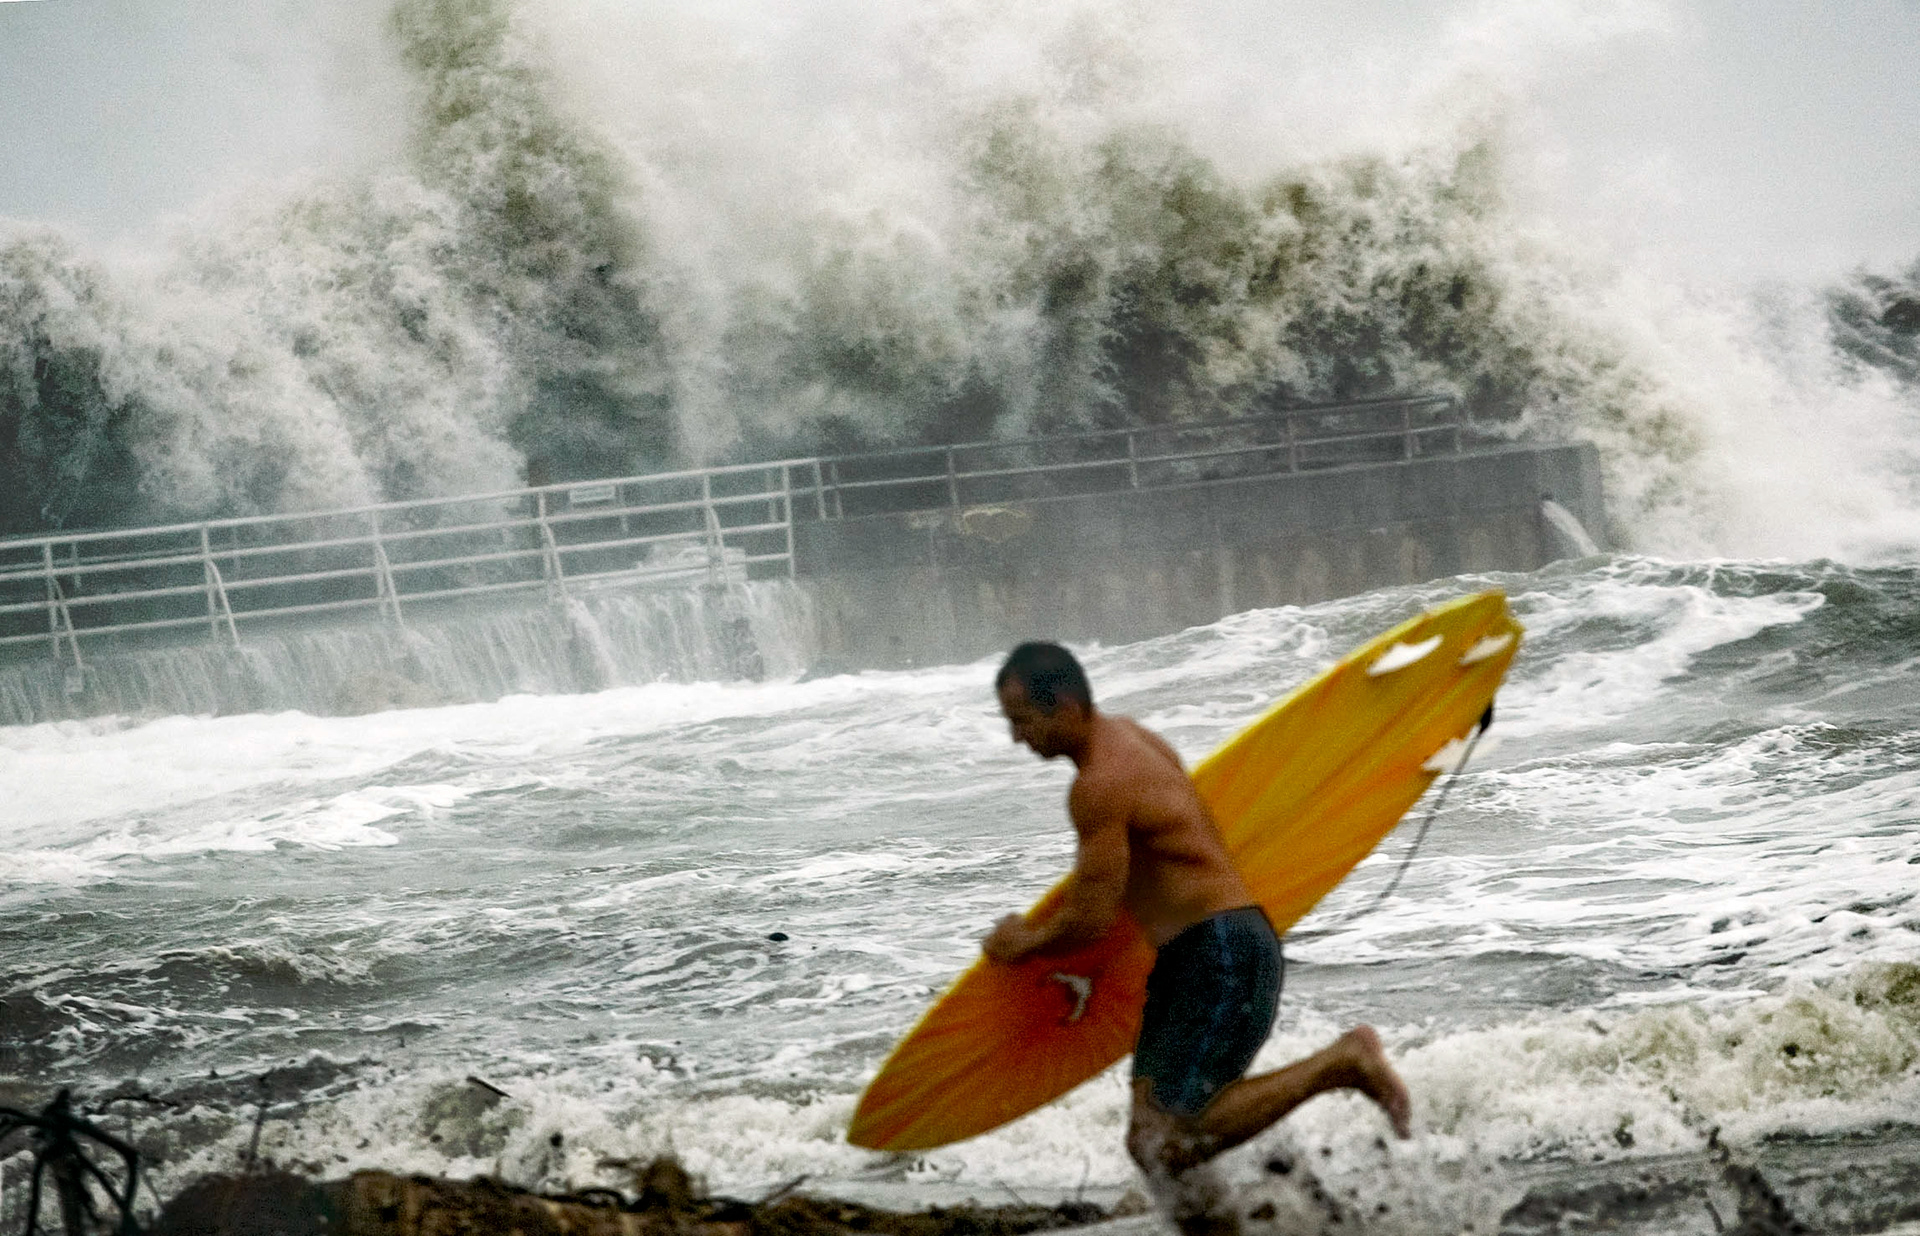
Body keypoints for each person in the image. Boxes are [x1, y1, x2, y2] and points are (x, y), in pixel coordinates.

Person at [983, 642, 1410, 1231]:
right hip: (1208, 951)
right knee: (1151, 1142)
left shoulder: (1099, 785)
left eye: (1021, 720)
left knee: (1171, 1139)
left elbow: (1092, 918)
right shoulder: (1134, 739)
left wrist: (1021, 942)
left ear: (1062, 704)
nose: (1016, 738)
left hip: (1220, 953)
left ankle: (1341, 1063)